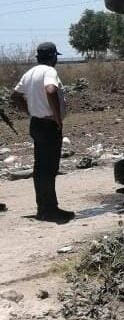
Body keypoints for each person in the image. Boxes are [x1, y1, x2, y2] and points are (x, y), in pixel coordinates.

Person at [10, 42, 74, 222]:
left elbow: (15, 95)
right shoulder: (49, 72)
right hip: (48, 125)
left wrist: (29, 111)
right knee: (49, 168)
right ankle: (50, 210)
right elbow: (51, 90)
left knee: (40, 168)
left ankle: (43, 208)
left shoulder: (30, 73)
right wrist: (57, 117)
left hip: (36, 124)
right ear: (53, 56)